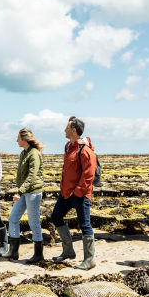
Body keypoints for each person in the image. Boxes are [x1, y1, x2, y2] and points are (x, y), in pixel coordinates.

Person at [50, 116, 97, 270]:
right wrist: (64, 189)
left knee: (85, 224)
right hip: (66, 193)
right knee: (56, 216)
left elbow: (88, 175)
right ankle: (68, 251)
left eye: (67, 127)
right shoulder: (68, 146)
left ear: (74, 130)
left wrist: (77, 192)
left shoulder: (85, 150)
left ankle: (89, 259)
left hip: (79, 194)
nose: (64, 129)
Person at [2, 128, 45, 263]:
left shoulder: (34, 154)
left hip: (33, 192)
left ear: (24, 139)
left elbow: (32, 176)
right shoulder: (23, 153)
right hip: (24, 191)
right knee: (13, 218)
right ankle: (13, 252)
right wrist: (21, 190)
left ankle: (38, 254)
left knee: (34, 222)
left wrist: (19, 192)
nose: (16, 140)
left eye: (18, 138)